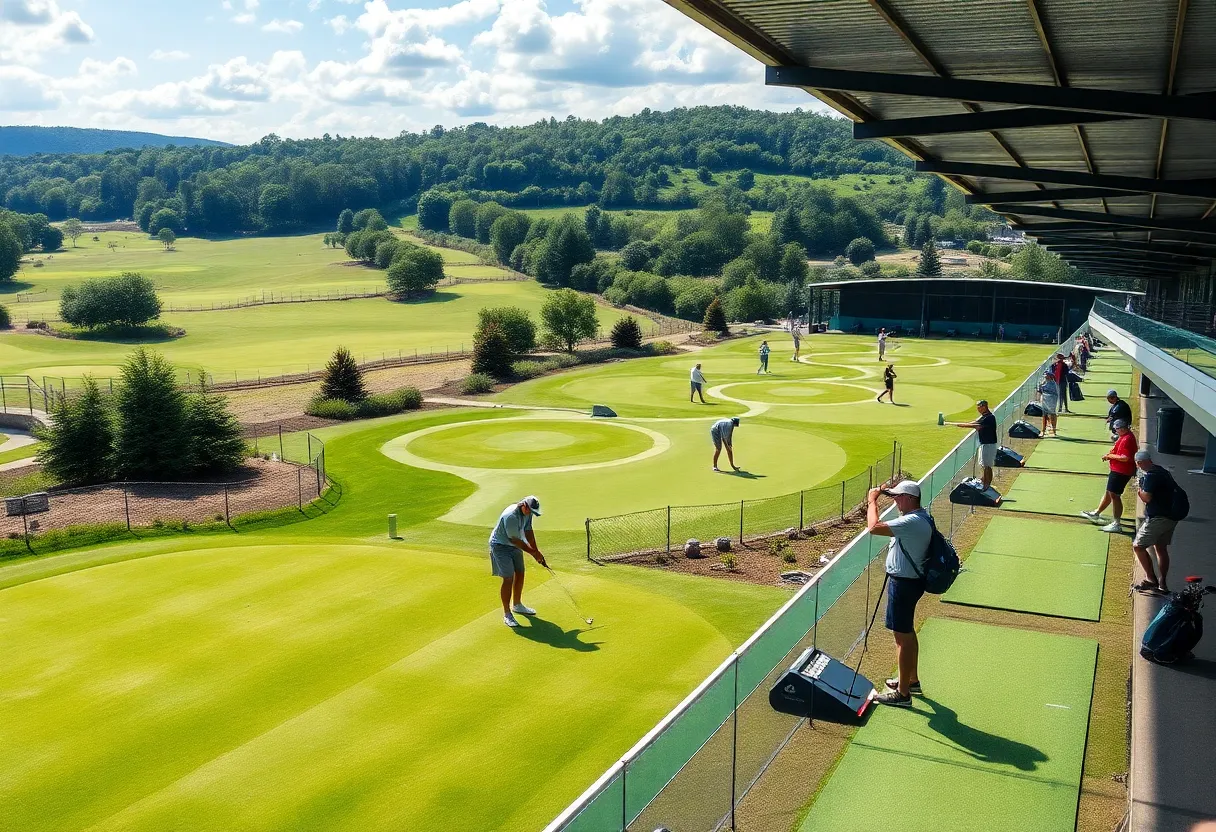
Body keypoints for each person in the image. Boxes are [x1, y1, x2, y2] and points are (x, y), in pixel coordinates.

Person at [866, 480, 931, 707]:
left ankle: (903, 694)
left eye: (898, 497)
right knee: (907, 633)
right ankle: (911, 680)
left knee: (902, 639)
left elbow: (873, 527)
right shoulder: (919, 517)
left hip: (904, 584)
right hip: (909, 583)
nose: (895, 501)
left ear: (910, 498)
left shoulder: (911, 521)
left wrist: (872, 501)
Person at [488, 496, 548, 628]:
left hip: (514, 545)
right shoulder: (511, 516)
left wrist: (536, 551)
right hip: (500, 546)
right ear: (524, 505)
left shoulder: (528, 513)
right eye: (530, 511)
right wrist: (533, 553)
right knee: (508, 578)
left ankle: (517, 605)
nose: (531, 514)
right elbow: (515, 540)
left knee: (520, 572)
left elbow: (528, 531)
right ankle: (507, 614)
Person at [1131, 449, 1178, 594]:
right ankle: (1162, 584)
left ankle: (1151, 579)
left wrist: (1139, 489)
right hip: (1171, 517)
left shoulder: (1151, 476)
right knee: (1161, 548)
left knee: (1138, 546)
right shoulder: (1162, 471)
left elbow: (1147, 498)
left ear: (1139, 463)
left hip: (1158, 518)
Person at [1082, 419, 1138, 532]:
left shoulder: (1127, 439)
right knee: (1109, 492)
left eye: (1116, 429)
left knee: (1115, 495)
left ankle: (1116, 523)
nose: (1115, 431)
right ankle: (1097, 513)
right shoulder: (1124, 436)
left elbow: (1125, 458)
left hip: (1121, 472)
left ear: (1122, 428)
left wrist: (1110, 456)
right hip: (1118, 470)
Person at [950, 400, 998, 490]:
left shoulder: (988, 418)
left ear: (984, 407)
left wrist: (960, 425)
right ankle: (984, 480)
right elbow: (974, 423)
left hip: (988, 444)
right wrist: (959, 424)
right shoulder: (984, 417)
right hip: (985, 444)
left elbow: (974, 425)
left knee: (986, 466)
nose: (978, 409)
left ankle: (986, 485)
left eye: (979, 407)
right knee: (983, 465)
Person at [1036, 370, 1059, 436]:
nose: (1045, 377)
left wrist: (1041, 386)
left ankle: (1054, 430)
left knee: (1052, 414)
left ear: (1050, 376)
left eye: (1047, 376)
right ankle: (1043, 430)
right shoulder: (1044, 382)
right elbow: (1040, 391)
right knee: (1044, 415)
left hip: (1052, 401)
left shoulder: (1053, 383)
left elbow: (1049, 391)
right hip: (1044, 400)